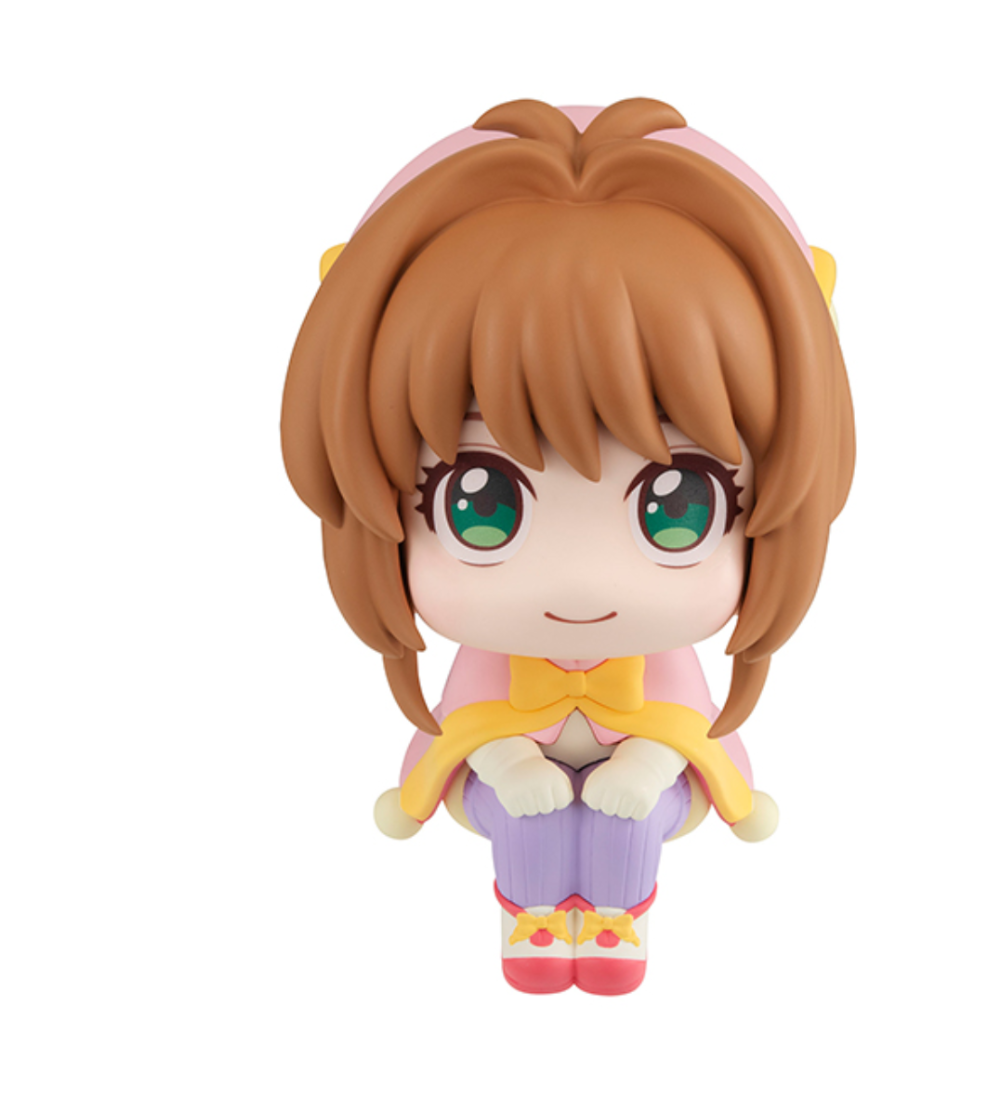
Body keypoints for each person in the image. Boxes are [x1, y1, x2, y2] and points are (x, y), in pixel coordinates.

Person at [281, 98, 855, 995]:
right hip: (506, 790)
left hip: (648, 787)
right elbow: (469, 724)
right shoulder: (492, 657)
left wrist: (650, 763)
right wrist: (509, 761)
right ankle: (534, 926)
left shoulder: (660, 659)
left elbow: (682, 724)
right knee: (531, 821)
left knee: (630, 820)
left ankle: (618, 925)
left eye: (677, 508)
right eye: (481, 505)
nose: (583, 582)